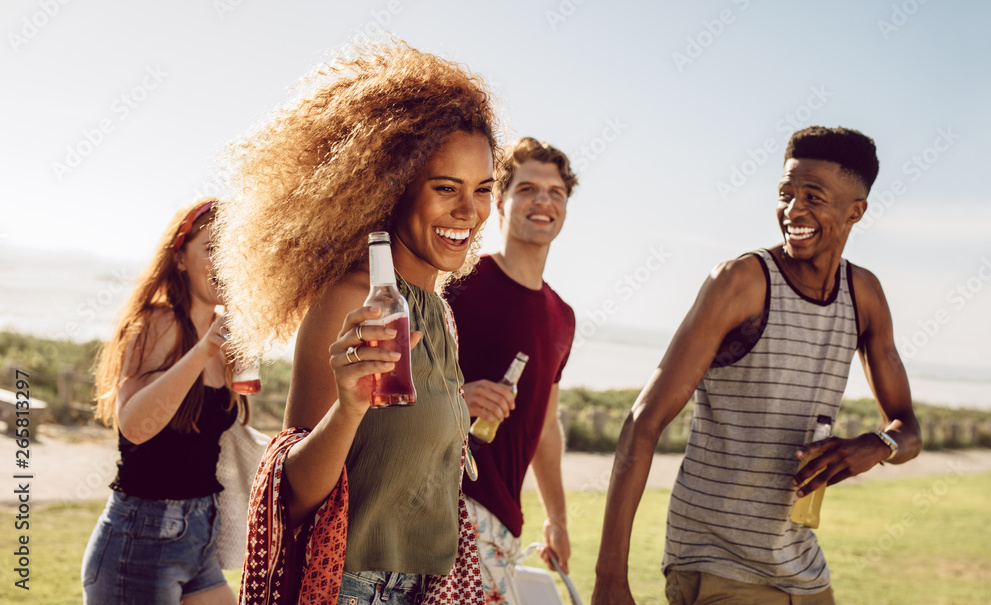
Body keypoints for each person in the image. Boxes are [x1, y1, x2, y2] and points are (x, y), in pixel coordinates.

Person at [212, 41, 500, 604]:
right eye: (447, 188)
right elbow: (291, 496)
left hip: (430, 588)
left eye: (484, 190)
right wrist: (348, 406)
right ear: (391, 187)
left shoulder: (438, 311)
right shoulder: (354, 297)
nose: (469, 212)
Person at [592, 126, 922, 605]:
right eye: (786, 194)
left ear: (856, 211)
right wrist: (608, 578)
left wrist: (877, 445)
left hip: (805, 574)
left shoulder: (864, 295)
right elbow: (644, 422)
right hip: (718, 565)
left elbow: (909, 429)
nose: (793, 211)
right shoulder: (741, 283)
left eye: (813, 197)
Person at [83, 198, 245, 604]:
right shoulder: (157, 323)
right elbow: (134, 426)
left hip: (199, 537)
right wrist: (204, 351)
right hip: (141, 540)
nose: (223, 261)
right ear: (180, 259)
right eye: (211, 249)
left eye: (233, 250)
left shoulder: (224, 336)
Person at [443, 137, 577, 604]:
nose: (543, 201)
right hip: (442, 506)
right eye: (528, 189)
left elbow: (546, 426)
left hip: (504, 520)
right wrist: (459, 398)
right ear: (500, 202)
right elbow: (397, 384)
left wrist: (557, 518)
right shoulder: (459, 284)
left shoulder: (563, 316)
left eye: (556, 192)